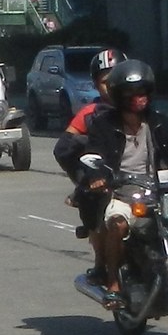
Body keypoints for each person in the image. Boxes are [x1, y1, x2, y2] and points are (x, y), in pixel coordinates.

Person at [54, 58, 160, 299]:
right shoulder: (93, 115)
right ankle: (105, 268)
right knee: (101, 208)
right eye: (105, 81)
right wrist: (86, 179)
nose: (113, 85)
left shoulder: (154, 117)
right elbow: (64, 149)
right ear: (96, 84)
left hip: (148, 185)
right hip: (107, 183)